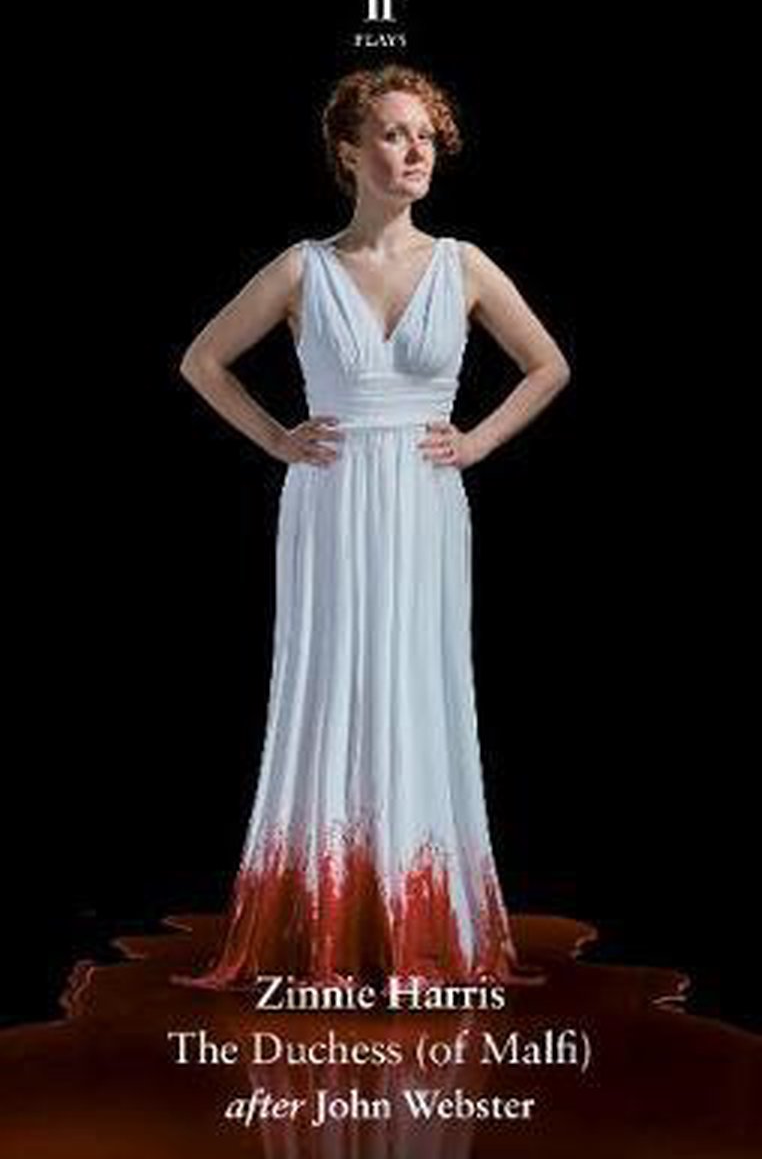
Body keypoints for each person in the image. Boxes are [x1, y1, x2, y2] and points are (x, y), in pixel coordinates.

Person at [172, 63, 571, 994]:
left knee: (419, 684)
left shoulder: (463, 265)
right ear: (349, 153)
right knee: (332, 683)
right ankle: (327, 918)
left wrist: (478, 441)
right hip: (333, 495)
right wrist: (277, 437)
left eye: (426, 134)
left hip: (426, 501)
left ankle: (420, 915)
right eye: (394, 133)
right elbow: (202, 361)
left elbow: (548, 365)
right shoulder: (303, 269)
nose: (416, 150)